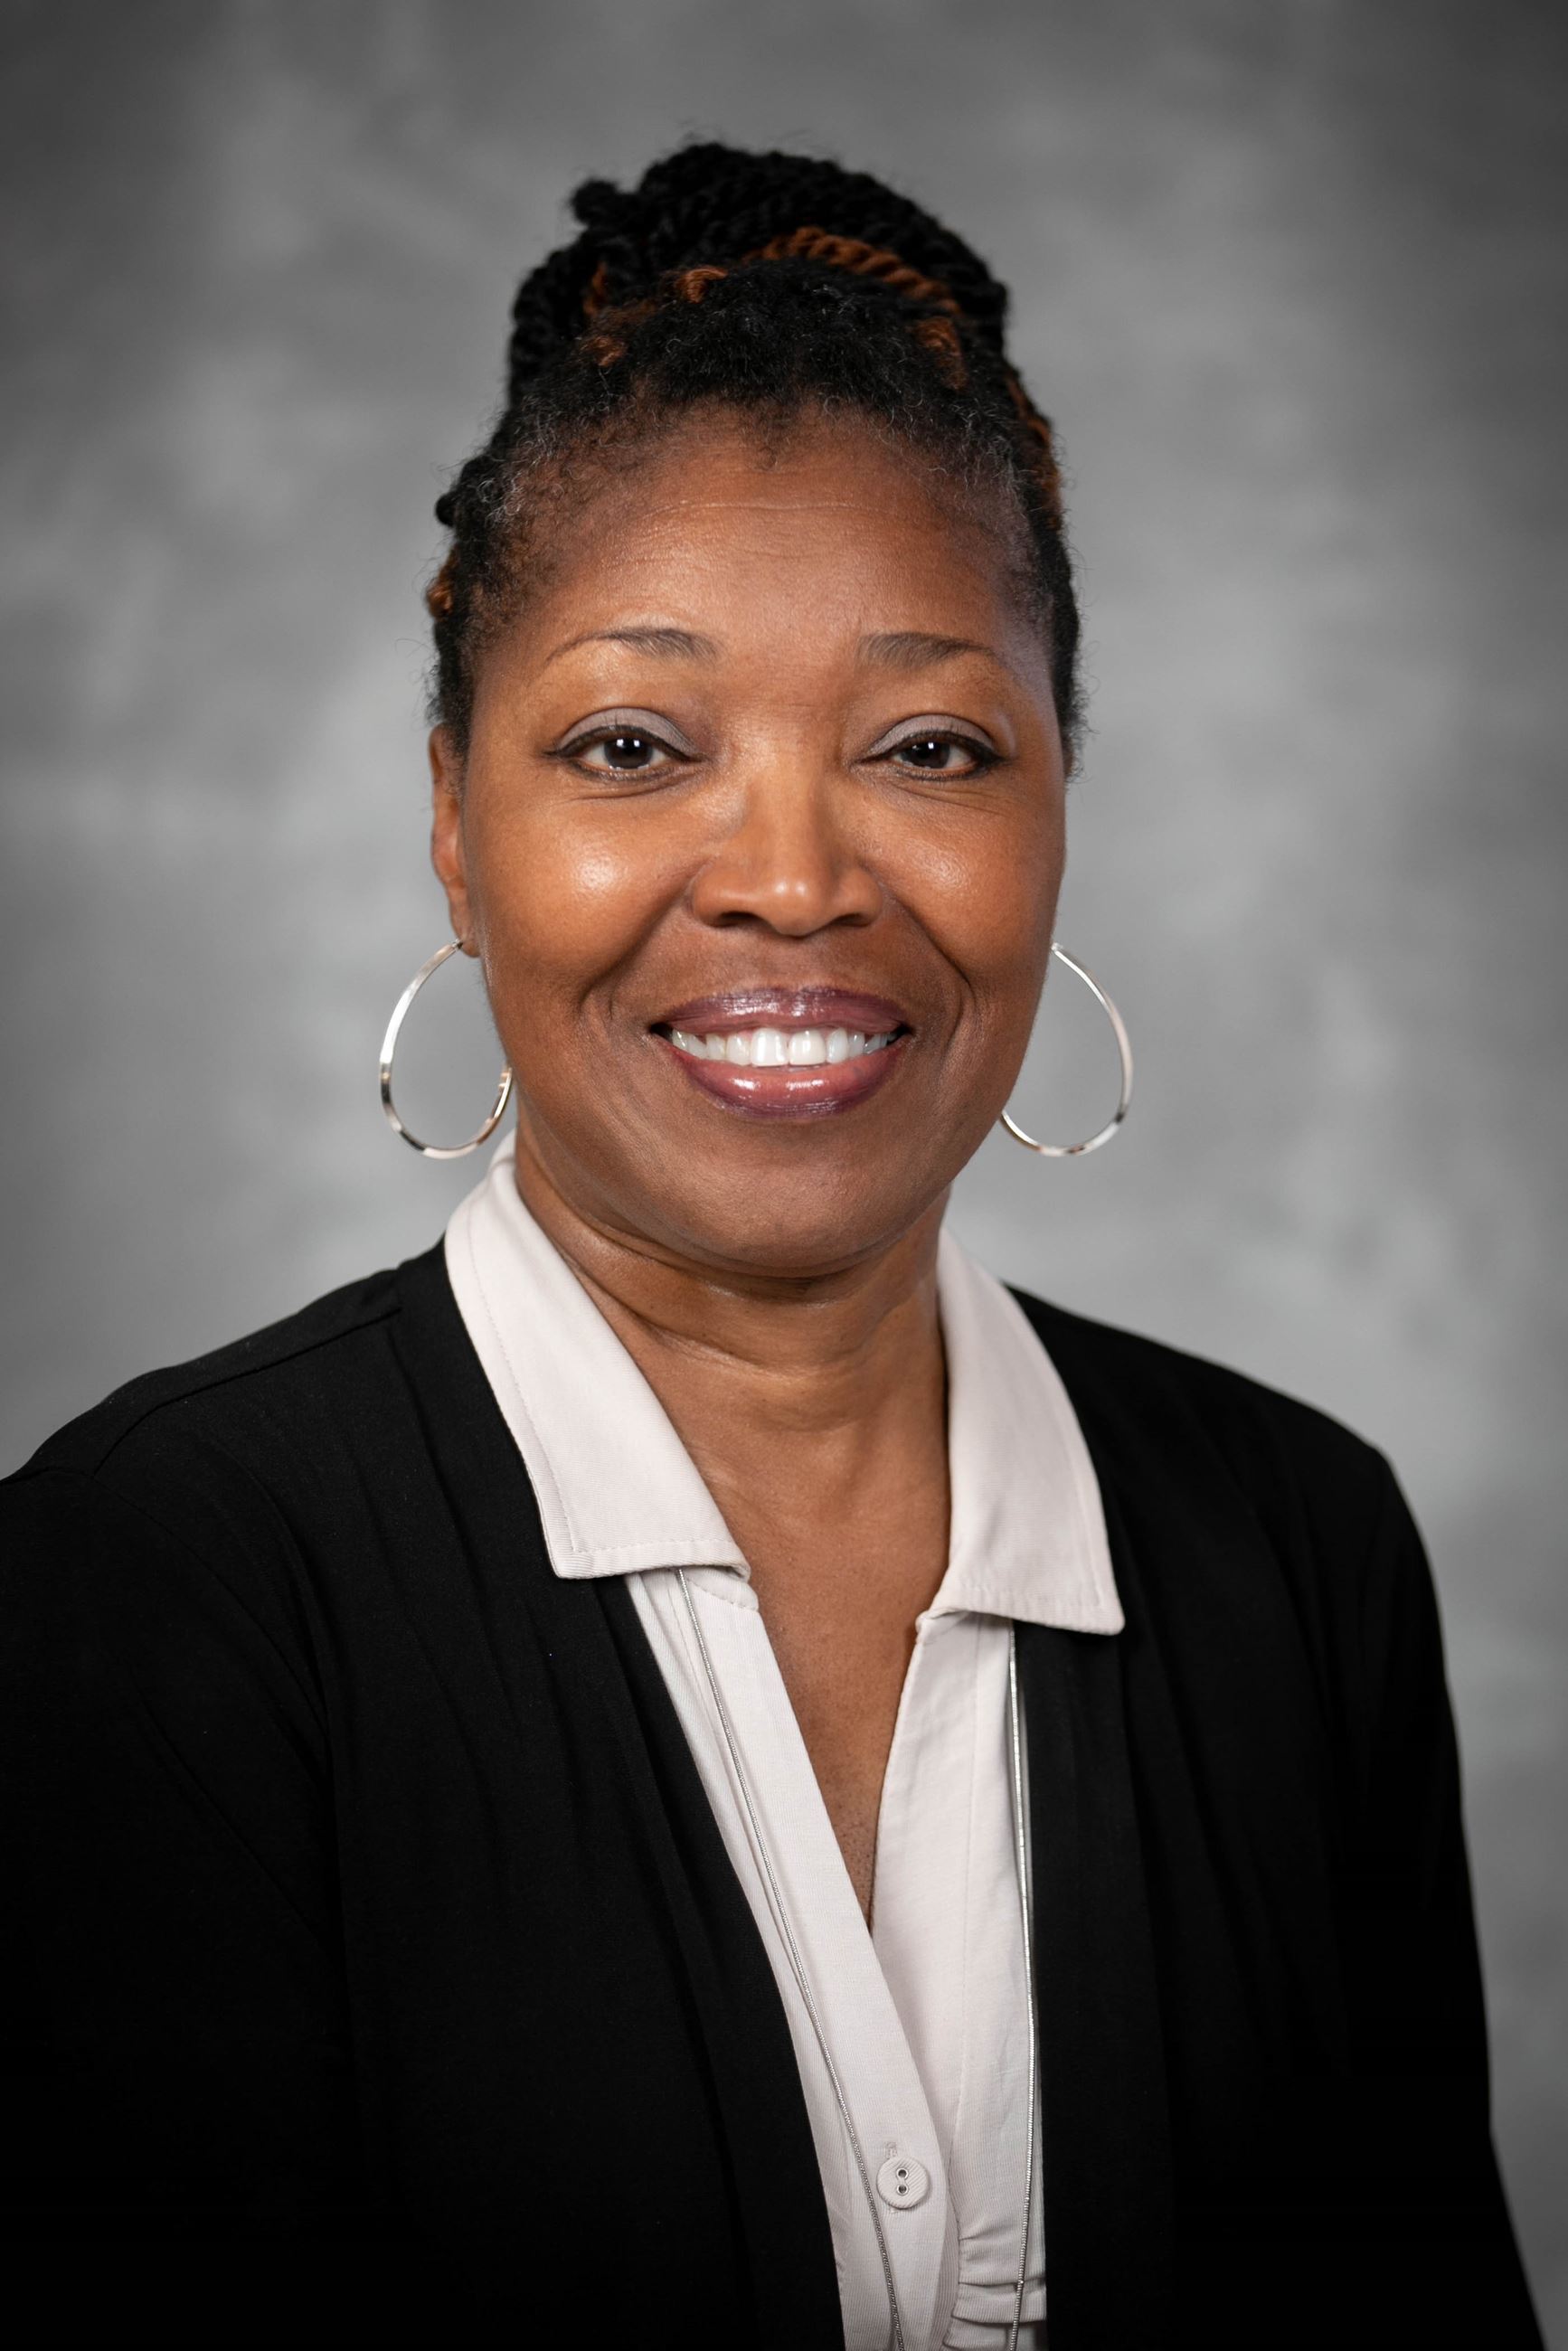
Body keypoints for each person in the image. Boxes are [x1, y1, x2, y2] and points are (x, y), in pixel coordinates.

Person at [0, 143, 1543, 2351]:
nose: (795, 879)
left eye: (929, 744)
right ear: (455, 818)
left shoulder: (1300, 1555)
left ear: (1058, 806)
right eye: (636, 744)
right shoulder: (147, 1586)